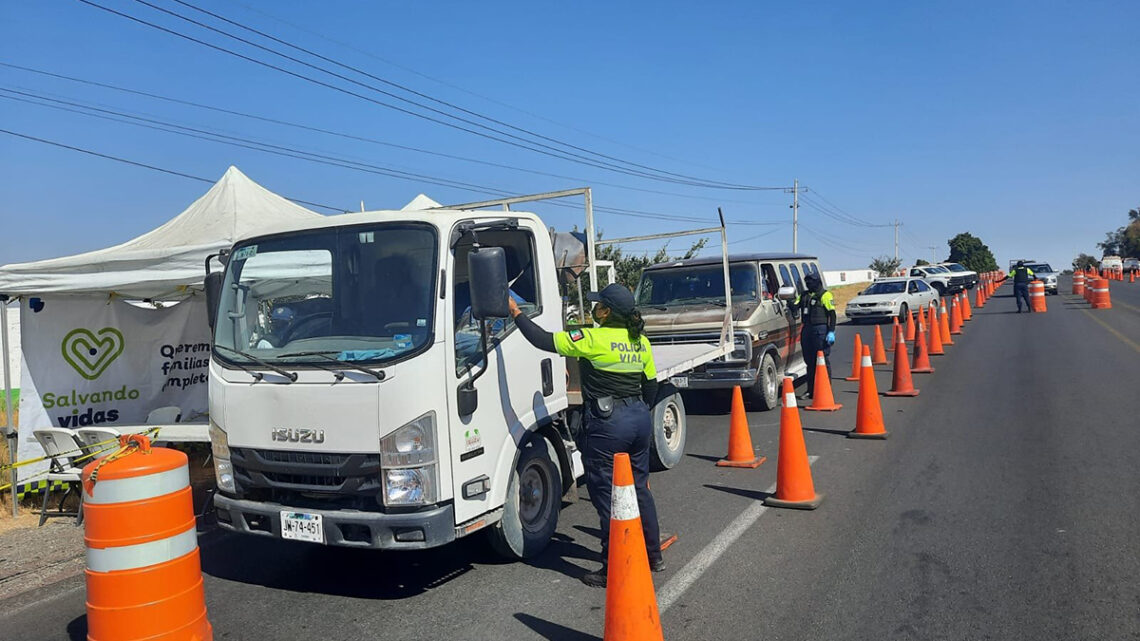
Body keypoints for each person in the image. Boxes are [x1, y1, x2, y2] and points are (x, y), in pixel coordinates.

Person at [509, 283, 665, 588]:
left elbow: (542, 340)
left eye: (600, 305)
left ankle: (612, 567)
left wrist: (515, 313)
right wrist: (634, 410)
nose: (596, 309)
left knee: (607, 494)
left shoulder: (592, 338)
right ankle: (653, 554)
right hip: (638, 419)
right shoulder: (640, 341)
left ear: (608, 311)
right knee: (640, 489)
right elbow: (651, 387)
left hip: (609, 424)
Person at [797, 272, 836, 398]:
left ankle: (826, 389)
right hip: (807, 329)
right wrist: (788, 299)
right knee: (809, 361)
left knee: (822, 359)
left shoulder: (825, 295)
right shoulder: (803, 295)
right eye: (807, 281)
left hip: (820, 330)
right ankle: (811, 390)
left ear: (817, 281)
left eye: (811, 280)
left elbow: (832, 314)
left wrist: (831, 331)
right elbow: (795, 306)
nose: (808, 283)